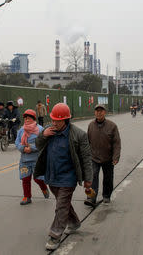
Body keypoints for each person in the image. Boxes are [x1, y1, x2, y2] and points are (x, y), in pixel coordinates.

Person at [34, 103, 93, 251]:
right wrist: (43, 135)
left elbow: (86, 158)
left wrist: (88, 179)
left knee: (61, 205)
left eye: (57, 121)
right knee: (64, 203)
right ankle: (73, 222)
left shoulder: (79, 135)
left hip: (69, 177)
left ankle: (55, 235)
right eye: (53, 119)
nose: (54, 123)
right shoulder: (49, 131)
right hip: (52, 175)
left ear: (66, 120)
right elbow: (37, 145)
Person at [85, 104, 121, 207]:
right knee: (93, 177)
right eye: (97, 111)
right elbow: (87, 142)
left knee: (108, 178)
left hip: (108, 158)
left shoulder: (112, 126)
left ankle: (106, 196)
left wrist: (115, 157)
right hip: (94, 157)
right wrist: (86, 156)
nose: (99, 112)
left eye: (101, 111)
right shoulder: (91, 125)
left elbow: (116, 143)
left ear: (105, 112)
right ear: (94, 112)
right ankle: (91, 198)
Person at [15, 109, 50, 205]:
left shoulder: (40, 129)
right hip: (24, 160)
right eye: (25, 118)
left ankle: (43, 187)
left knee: (38, 178)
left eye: (29, 118)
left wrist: (32, 148)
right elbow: (17, 142)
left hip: (37, 159)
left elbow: (43, 142)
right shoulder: (21, 130)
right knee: (25, 179)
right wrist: (22, 148)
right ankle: (27, 197)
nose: (26, 120)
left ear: (34, 119)